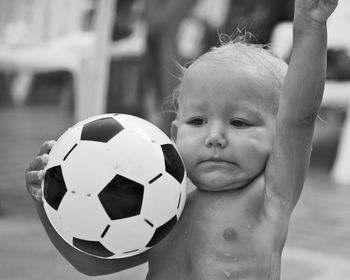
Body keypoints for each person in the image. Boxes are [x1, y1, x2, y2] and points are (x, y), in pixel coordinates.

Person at [25, 0, 338, 279]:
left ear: (277, 139)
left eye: (239, 122)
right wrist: (46, 201)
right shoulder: (158, 204)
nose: (215, 137)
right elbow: (92, 264)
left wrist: (310, 25)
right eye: (197, 121)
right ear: (173, 136)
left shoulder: (270, 197)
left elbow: (299, 117)